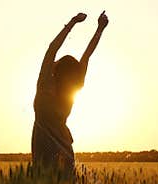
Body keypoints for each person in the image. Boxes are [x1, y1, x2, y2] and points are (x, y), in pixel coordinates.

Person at [31, 11, 109, 175]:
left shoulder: (44, 84)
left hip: (43, 150)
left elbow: (52, 48)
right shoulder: (73, 87)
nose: (53, 61)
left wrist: (73, 22)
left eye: (56, 62)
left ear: (56, 69)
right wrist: (100, 28)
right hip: (64, 149)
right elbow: (87, 55)